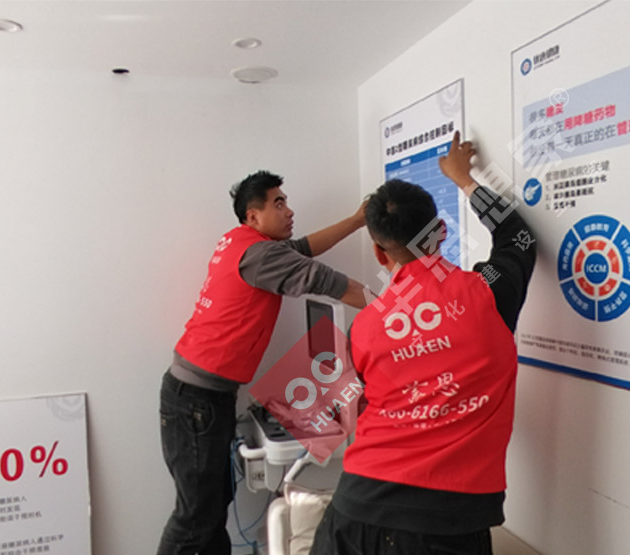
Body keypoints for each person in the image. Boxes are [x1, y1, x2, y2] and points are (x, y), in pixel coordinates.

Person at [310, 132, 537, 555]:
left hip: (355, 512)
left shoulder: (366, 325)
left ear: (379, 253)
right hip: (447, 524)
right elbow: (518, 238)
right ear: (442, 232)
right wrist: (463, 178)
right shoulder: (488, 292)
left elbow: (363, 406)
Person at [158, 170, 368, 555]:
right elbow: (329, 281)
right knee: (194, 520)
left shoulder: (242, 242)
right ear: (253, 216)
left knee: (210, 510)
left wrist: (356, 221)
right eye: (278, 203)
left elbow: (302, 249)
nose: (289, 211)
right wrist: (397, 311)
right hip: (197, 401)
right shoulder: (262, 254)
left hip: (195, 394)